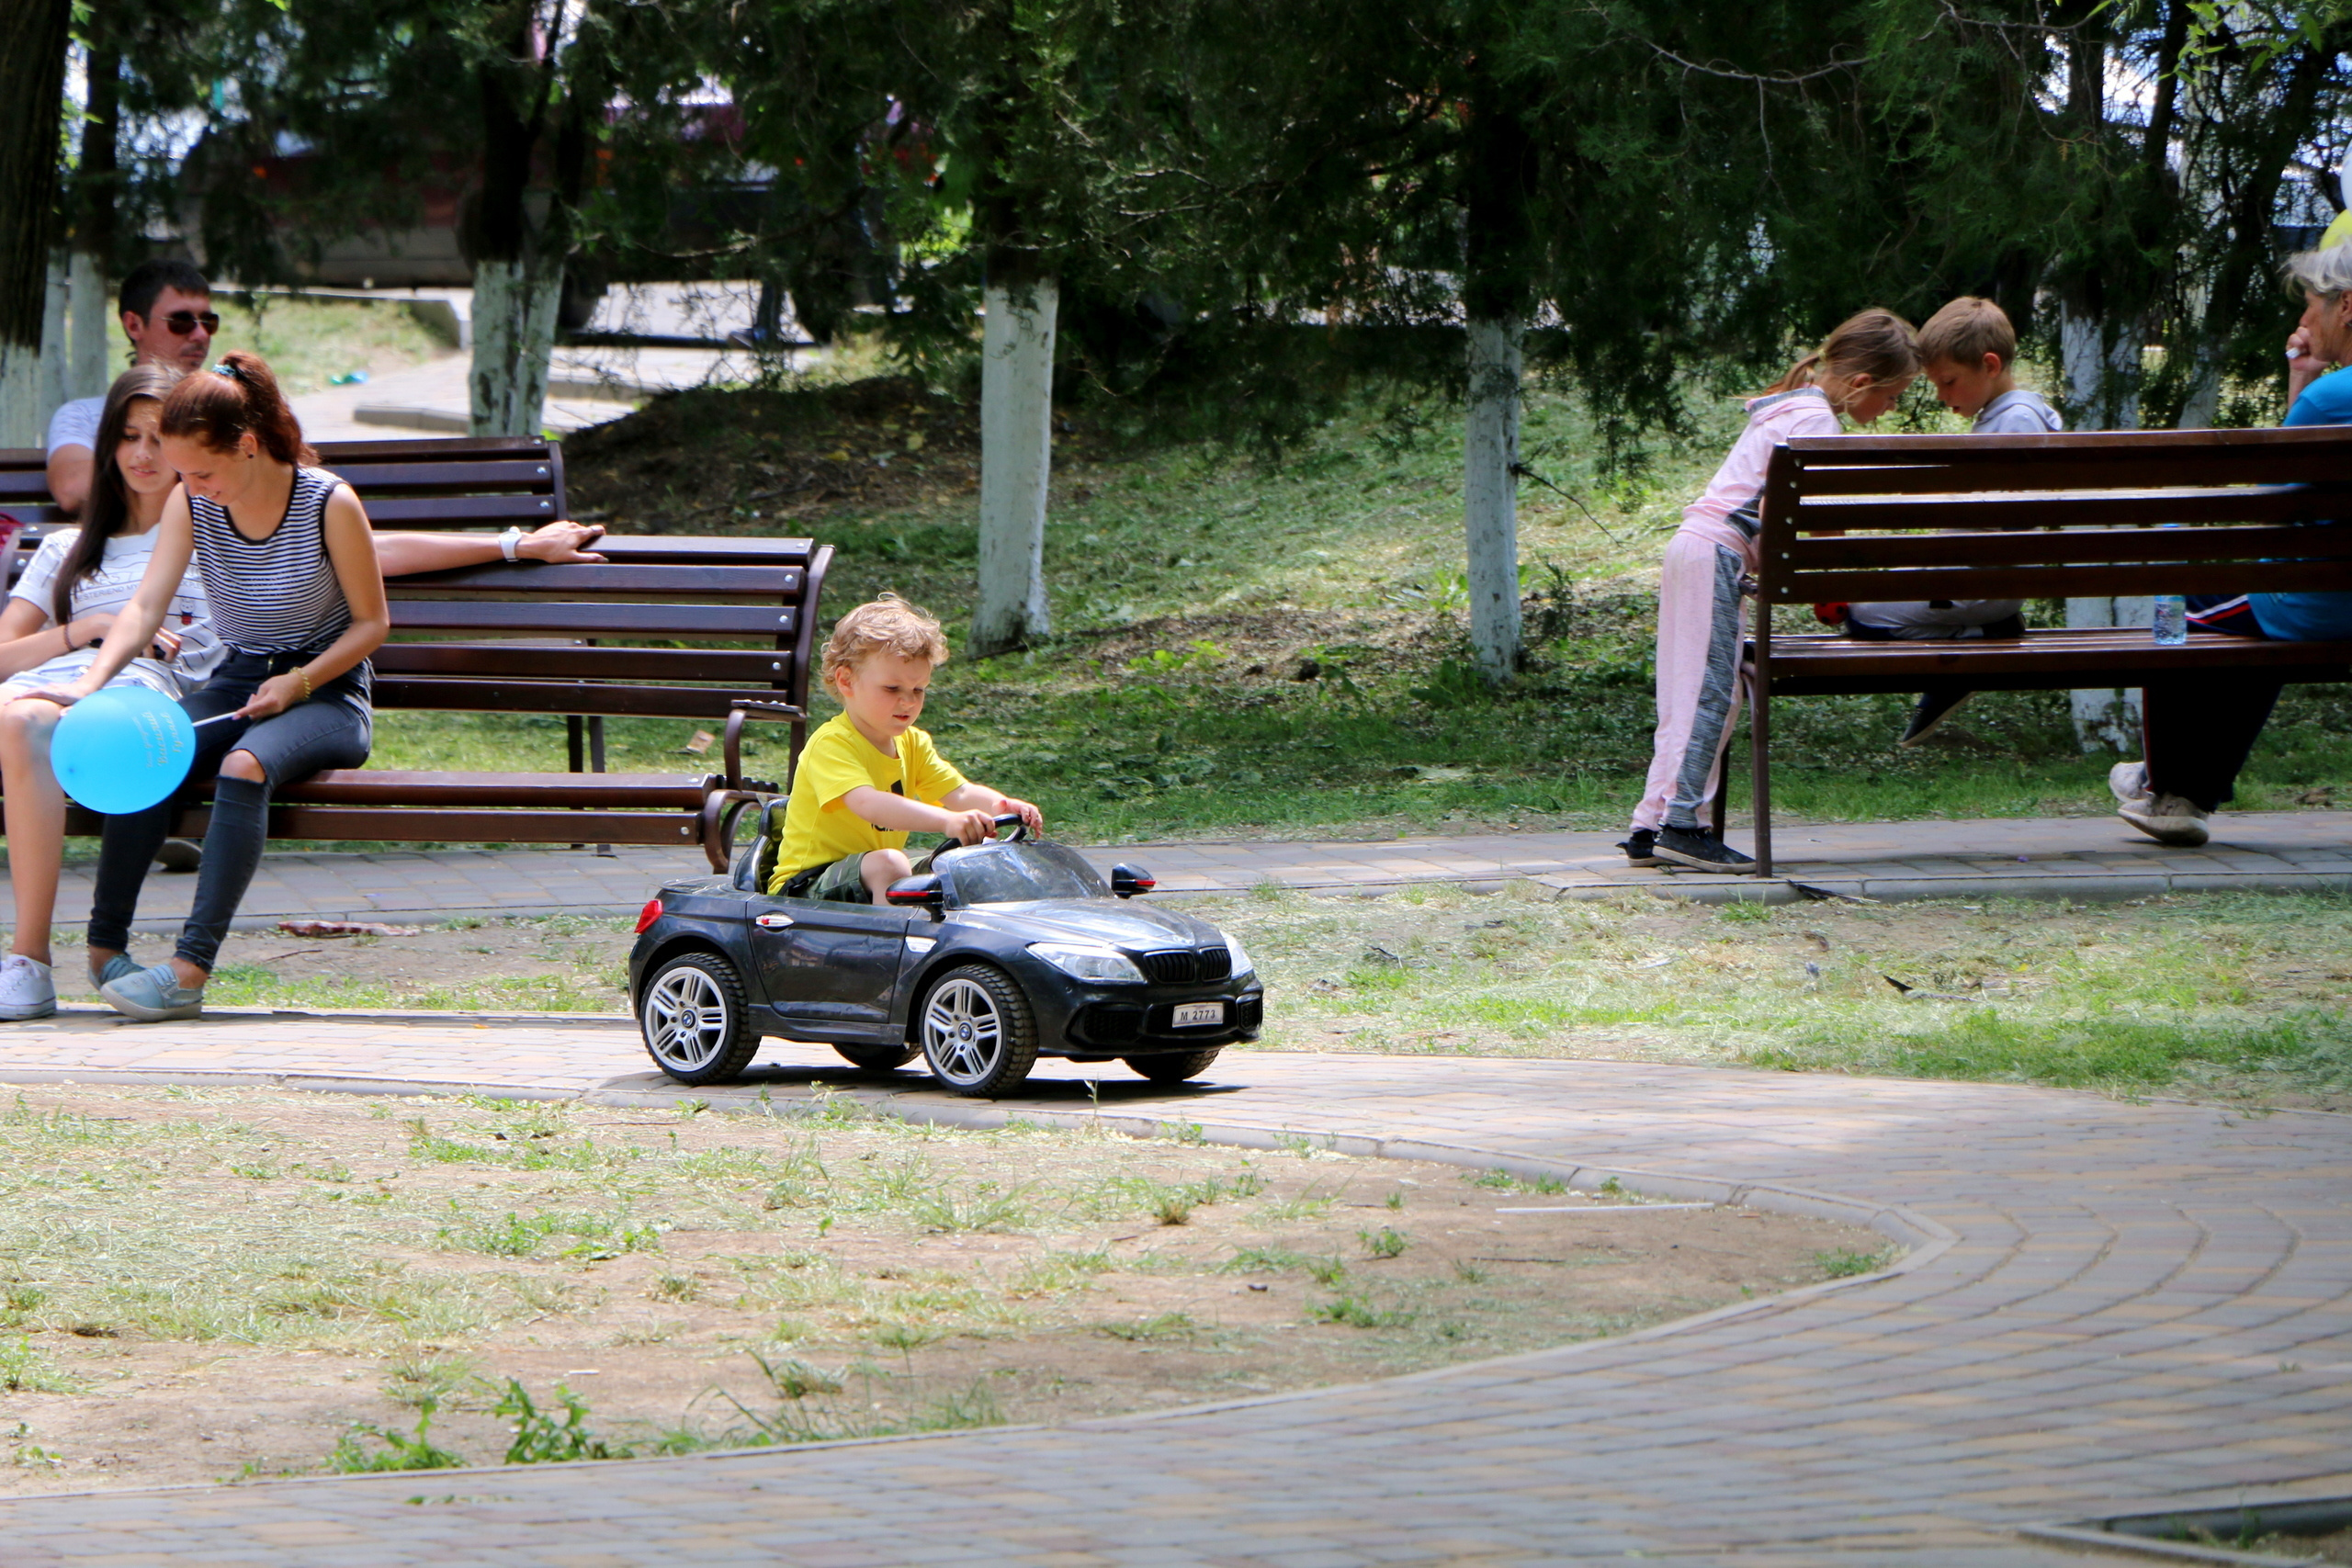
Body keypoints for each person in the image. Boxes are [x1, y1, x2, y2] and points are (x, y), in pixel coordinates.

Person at [36, 353, 389, 1022]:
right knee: (148, 749)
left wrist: (299, 681)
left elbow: (374, 624)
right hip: (240, 677)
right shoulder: (193, 501)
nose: (192, 487)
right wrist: (90, 681)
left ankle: (189, 971)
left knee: (244, 764)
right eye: (184, 475)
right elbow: (145, 606)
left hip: (328, 690)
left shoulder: (328, 502)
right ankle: (105, 950)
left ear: (247, 445)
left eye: (202, 472)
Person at [1623, 309, 1920, 874]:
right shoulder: (1817, 423)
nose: (1890, 408)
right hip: (1718, 555)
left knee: (1690, 694)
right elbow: (1795, 514)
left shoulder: (1791, 407)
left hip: (1695, 548)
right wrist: (1821, 579)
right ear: (1862, 383)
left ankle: (1651, 825)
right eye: (1892, 396)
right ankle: (1681, 826)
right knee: (1711, 695)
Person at [2119, 243, 2352, 847]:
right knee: (2250, 628)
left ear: (2346, 306)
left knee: (2176, 593)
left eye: (2311, 304)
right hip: (2323, 596)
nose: (2304, 319)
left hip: (2314, 606)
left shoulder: (2332, 399)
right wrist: (2303, 378)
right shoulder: (2326, 395)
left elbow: (2267, 504)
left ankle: (2164, 784)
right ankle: (2183, 788)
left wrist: (2306, 387)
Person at [1823, 296, 2065, 746]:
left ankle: (1979, 638)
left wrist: (1941, 500)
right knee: (1875, 600)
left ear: (1989, 365)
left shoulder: (2016, 422)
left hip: (1980, 586)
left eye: (1948, 382)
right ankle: (1973, 639)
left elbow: (2012, 518)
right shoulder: (2016, 415)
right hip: (1976, 579)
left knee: (1863, 616)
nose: (1941, 395)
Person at [770, 593, 1043, 904]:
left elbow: (959, 793)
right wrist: (947, 821)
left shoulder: (913, 743)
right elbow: (868, 803)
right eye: (892, 688)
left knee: (966, 864)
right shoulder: (832, 743)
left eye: (918, 689)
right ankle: (889, 935)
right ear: (846, 681)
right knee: (889, 864)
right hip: (805, 888)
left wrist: (1003, 806)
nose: (909, 701)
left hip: (868, 877)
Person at [45, 260, 216, 518]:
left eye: (208, 322)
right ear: (134, 325)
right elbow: (72, 487)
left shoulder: (227, 409)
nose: (201, 334)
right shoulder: (84, 415)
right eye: (181, 321)